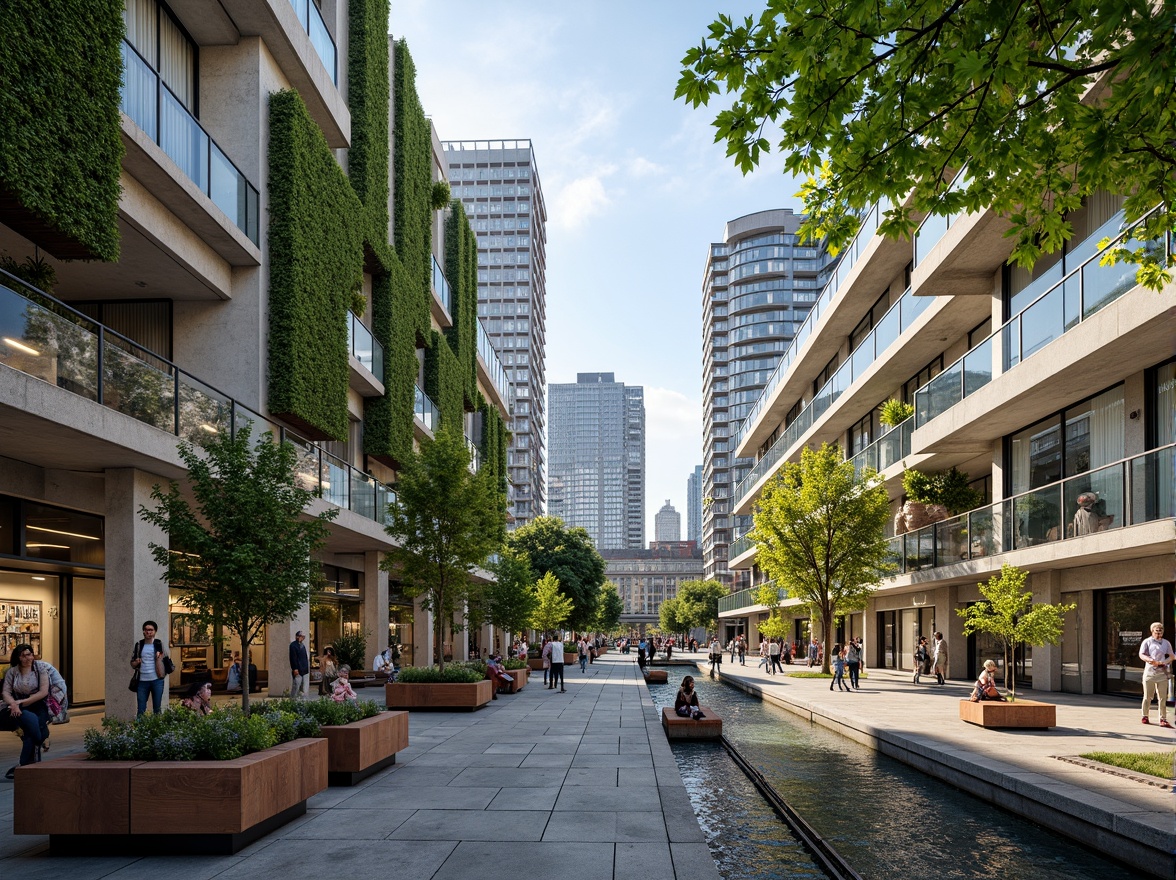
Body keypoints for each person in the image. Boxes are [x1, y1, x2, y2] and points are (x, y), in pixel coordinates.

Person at [2, 644, 50, 778]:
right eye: (23, 655)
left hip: (37, 704)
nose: (27, 658)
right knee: (34, 731)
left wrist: (21, 703)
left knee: (33, 732)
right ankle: (31, 764)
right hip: (18, 705)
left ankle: (24, 765)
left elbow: (43, 692)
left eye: (29, 654)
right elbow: (6, 692)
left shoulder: (40, 669)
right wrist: (13, 703)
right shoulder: (12, 671)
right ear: (18, 657)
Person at [1139, 621, 1174, 727]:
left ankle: (1163, 719)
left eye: (1161, 631)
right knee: (1147, 696)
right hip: (1150, 673)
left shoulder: (1166, 643)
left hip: (1162, 673)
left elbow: (1172, 655)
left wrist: (1165, 662)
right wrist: (1149, 660)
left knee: (1162, 697)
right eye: (1157, 631)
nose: (1159, 633)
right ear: (1152, 631)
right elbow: (1141, 654)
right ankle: (1145, 716)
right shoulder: (1147, 642)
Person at [131, 620, 169, 716]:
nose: (148, 632)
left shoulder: (159, 644)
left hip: (157, 680)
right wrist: (137, 662)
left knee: (157, 708)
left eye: (151, 630)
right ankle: (140, 729)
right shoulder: (139, 645)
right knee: (141, 709)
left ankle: (156, 728)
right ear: (143, 631)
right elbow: (132, 664)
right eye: (146, 630)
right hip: (142, 681)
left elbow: (166, 658)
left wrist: (159, 657)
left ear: (155, 631)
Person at [289, 630, 309, 700]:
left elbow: (305, 657)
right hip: (298, 669)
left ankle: (301, 700)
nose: (303, 638)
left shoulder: (302, 645)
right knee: (296, 685)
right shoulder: (293, 645)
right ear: (297, 637)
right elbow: (293, 658)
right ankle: (293, 699)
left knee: (303, 687)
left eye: (303, 637)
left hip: (304, 669)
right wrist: (295, 668)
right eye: (301, 636)